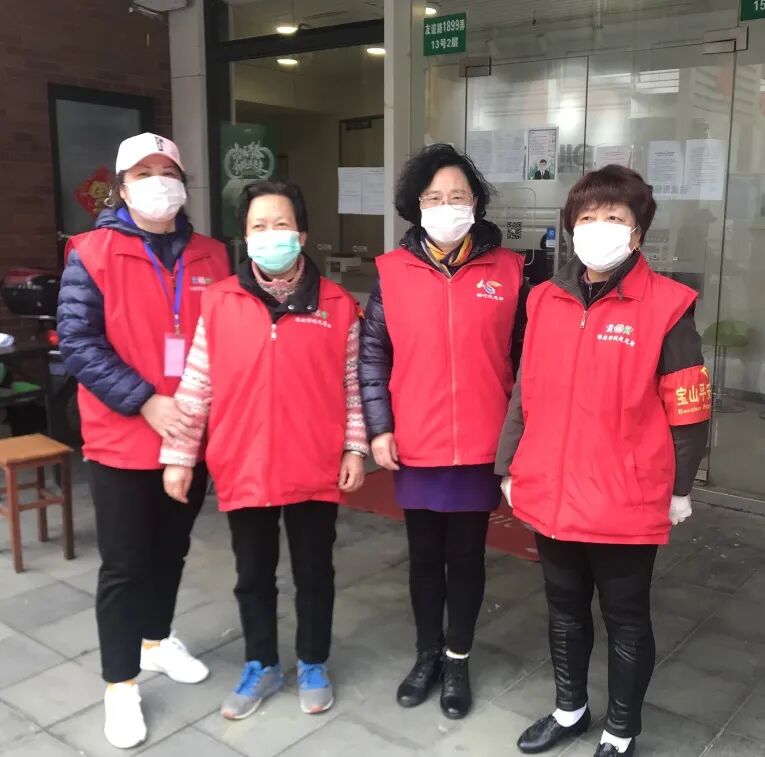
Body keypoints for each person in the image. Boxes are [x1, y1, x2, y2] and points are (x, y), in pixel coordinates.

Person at [495, 165, 710, 757]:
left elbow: (689, 409)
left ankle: (620, 730)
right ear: (571, 226)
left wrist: (681, 488)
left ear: (638, 232)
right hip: (551, 486)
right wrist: (508, 465)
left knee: (626, 618)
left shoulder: (668, 306)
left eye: (615, 217)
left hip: (626, 496)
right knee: (564, 610)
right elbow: (524, 388)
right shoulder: (544, 299)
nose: (599, 227)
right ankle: (570, 710)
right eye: (587, 216)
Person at [160, 180, 368, 721]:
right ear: (245, 237)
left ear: (301, 234)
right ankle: (261, 663)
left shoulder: (338, 304)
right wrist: (180, 456)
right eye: (259, 226)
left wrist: (354, 449)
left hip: (314, 463)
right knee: (253, 575)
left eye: (281, 225)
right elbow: (197, 384)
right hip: (243, 462)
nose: (270, 235)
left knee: (314, 572)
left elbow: (352, 384)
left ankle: (313, 661)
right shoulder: (219, 300)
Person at [57, 133, 230, 749]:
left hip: (190, 435)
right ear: (122, 186)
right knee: (126, 565)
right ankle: (120, 683)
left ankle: (156, 641)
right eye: (144, 172)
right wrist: (145, 400)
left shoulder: (212, 255)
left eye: (168, 170)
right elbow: (78, 343)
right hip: (123, 437)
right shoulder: (92, 252)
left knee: (171, 550)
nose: (159, 181)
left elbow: (228, 337)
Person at [359, 144, 528, 720]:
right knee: (424, 558)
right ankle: (426, 654)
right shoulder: (391, 272)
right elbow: (372, 356)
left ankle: (458, 658)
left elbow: (528, 362)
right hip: (416, 441)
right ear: (417, 206)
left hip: (482, 444)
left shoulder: (510, 271)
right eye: (435, 197)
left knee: (467, 557)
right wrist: (379, 427)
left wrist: (519, 440)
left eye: (458, 196)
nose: (447, 206)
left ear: (476, 203)